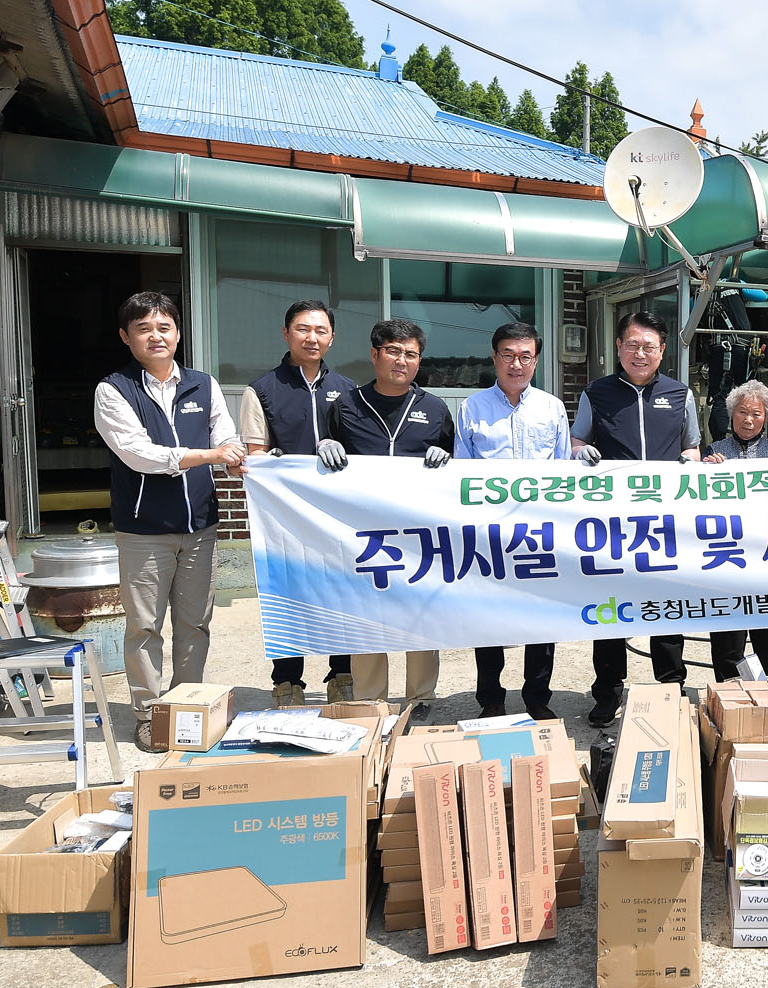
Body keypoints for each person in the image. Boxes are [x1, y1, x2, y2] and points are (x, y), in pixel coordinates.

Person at [93, 291, 246, 751]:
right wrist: (212, 456)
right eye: (144, 328)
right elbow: (139, 454)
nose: (156, 336)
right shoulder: (113, 390)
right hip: (143, 529)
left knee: (195, 623)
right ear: (126, 337)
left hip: (201, 526)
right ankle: (148, 713)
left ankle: (187, 706)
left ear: (178, 333)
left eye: (164, 327)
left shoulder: (203, 384)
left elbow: (226, 434)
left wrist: (234, 454)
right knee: (144, 626)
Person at [316, 318, 454, 717]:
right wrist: (323, 446)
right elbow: (326, 461)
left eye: (411, 354)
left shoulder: (434, 408)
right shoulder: (347, 405)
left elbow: (455, 467)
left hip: (418, 533)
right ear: (375, 354)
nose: (402, 360)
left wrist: (446, 456)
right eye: (393, 351)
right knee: (366, 614)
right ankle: (371, 697)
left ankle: (421, 697)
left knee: (421, 614)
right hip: (365, 533)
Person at [571, 310, 701, 727]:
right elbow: (577, 439)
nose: (640, 354)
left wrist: (690, 461)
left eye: (649, 346)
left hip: (665, 522)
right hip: (612, 524)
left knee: (667, 608)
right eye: (632, 345)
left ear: (662, 351)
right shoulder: (596, 393)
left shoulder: (680, 394)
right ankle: (607, 691)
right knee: (610, 610)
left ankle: (671, 686)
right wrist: (580, 452)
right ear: (618, 347)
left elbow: (693, 447)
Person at [238, 299, 357, 707]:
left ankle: (342, 675)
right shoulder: (261, 390)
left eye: (320, 330)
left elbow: (358, 449)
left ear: (332, 338)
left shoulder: (347, 390)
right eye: (303, 329)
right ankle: (287, 682)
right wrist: (273, 462)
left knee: (341, 591)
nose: (312, 338)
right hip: (285, 516)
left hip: (336, 514)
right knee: (289, 593)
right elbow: (255, 454)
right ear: (286, 333)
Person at [455, 321, 570, 720]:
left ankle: (537, 697)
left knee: (542, 617)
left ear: (536, 361)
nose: (516, 364)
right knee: (488, 618)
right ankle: (491, 698)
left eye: (525, 356)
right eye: (508, 355)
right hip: (488, 532)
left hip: (540, 531)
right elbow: (461, 473)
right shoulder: (471, 408)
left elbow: (563, 470)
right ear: (494, 358)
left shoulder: (552, 408)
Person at [700, 379, 768, 680]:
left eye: (756, 413)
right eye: (741, 412)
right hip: (727, 557)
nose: (748, 420)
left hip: (767, 557)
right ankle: (729, 696)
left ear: (767, 417)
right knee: (728, 640)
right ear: (731, 414)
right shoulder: (715, 451)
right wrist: (705, 470)